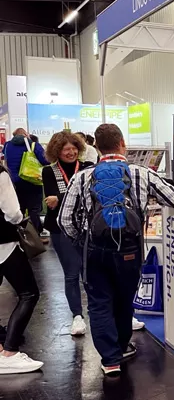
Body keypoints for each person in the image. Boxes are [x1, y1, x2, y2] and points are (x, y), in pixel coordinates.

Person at [58, 124, 174, 376]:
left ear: (96, 147)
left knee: (99, 302)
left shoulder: (82, 176)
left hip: (95, 250)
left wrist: (83, 241)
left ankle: (110, 360)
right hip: (130, 249)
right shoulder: (140, 172)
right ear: (122, 144)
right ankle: (123, 346)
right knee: (125, 300)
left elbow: (64, 220)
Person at [42, 132, 93, 336]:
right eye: (66, 149)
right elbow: (51, 202)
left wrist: (61, 197)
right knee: (72, 274)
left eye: (73, 148)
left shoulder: (88, 167)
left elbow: (61, 199)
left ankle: (99, 312)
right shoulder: (49, 171)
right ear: (57, 151)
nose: (71, 152)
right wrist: (68, 196)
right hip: (60, 228)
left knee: (91, 273)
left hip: (87, 227)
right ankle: (77, 316)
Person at [0, 163, 43, 374]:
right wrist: (20, 222)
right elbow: (13, 213)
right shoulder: (0, 175)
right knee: (29, 294)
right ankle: (10, 352)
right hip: (3, 244)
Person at [1, 128, 48, 235]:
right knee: (34, 209)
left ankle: (20, 233)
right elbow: (45, 160)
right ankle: (37, 234)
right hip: (32, 180)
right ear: (25, 134)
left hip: (14, 182)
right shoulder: (33, 144)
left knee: (19, 208)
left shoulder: (7, 145)